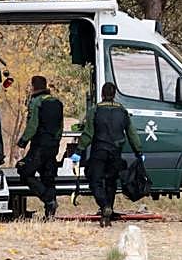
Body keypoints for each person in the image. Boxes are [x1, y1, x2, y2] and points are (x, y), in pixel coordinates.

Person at [72, 82, 143, 227]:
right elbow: (132, 133)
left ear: (102, 94)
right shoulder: (122, 111)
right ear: (114, 94)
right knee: (111, 182)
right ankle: (106, 217)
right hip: (115, 153)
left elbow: (88, 133)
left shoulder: (95, 110)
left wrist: (79, 150)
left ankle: (104, 206)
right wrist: (139, 151)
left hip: (99, 151)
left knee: (95, 181)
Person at [15, 75, 64, 219]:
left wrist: (23, 142)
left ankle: (48, 199)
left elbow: (33, 125)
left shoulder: (36, 102)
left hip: (39, 145)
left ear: (34, 87)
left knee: (24, 171)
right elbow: (60, 126)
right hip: (53, 145)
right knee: (48, 177)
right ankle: (50, 214)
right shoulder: (56, 102)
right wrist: (56, 141)